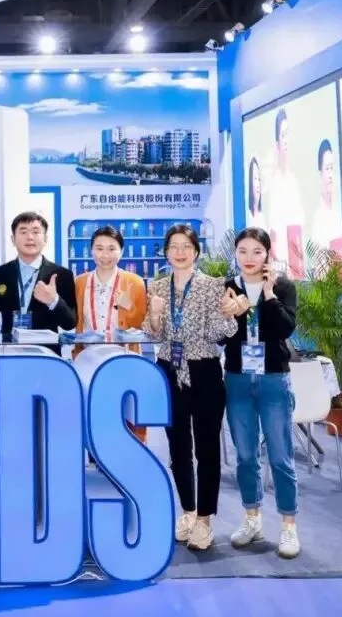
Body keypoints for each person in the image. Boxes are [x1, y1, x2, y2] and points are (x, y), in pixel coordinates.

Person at [144, 223, 240, 551]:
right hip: (169, 370)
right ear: (166, 252)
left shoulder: (214, 285)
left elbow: (219, 334)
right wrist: (155, 315)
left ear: (196, 251)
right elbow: (153, 335)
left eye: (186, 245)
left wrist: (226, 314)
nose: (180, 252)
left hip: (204, 371)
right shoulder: (157, 287)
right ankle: (187, 511)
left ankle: (204, 519)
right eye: (174, 246)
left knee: (207, 449)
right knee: (178, 447)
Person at [221, 227, 301, 558]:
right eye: (242, 251)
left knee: (280, 455)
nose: (249, 258)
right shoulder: (228, 287)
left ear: (267, 253)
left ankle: (288, 526)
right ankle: (252, 519)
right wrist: (230, 315)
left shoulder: (282, 287)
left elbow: (285, 329)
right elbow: (221, 337)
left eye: (256, 251)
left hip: (273, 378)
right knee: (244, 454)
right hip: (238, 378)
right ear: (235, 253)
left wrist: (268, 295)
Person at [73, 225, 148, 442]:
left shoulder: (134, 282)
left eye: (112, 249)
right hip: (88, 359)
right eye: (99, 248)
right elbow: (75, 321)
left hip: (123, 357)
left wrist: (128, 307)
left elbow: (140, 325)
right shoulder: (79, 282)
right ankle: (95, 456)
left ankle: (130, 454)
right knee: (93, 415)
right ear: (91, 251)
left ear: (121, 251)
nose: (105, 255)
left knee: (126, 414)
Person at [0, 212, 76, 343]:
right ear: (13, 239)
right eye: (23, 232)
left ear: (45, 239)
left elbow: (69, 323)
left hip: (46, 351)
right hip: (9, 350)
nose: (29, 237)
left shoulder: (62, 275)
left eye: (35, 232)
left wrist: (53, 301)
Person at [264, 108, 305, 277]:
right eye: (282, 135)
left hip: (298, 269)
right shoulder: (274, 184)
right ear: (277, 144)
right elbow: (272, 239)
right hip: (281, 272)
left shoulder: (294, 181)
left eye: (288, 133)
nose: (286, 140)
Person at [309, 139, 342, 255]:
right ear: (320, 174)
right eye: (327, 169)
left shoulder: (337, 212)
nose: (330, 175)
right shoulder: (318, 219)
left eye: (332, 168)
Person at [247, 157, 268, 230]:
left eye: (259, 179)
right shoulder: (247, 216)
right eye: (255, 178)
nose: (258, 185)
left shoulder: (261, 217)